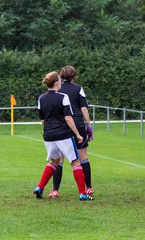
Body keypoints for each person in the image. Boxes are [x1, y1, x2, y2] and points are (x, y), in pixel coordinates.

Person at [33, 71, 93, 201]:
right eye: (59, 81)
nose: (61, 83)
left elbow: (42, 120)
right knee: (75, 162)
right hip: (63, 134)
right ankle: (83, 193)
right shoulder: (63, 97)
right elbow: (68, 118)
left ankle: (40, 187)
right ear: (56, 83)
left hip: (48, 135)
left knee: (54, 162)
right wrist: (78, 134)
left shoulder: (41, 98)